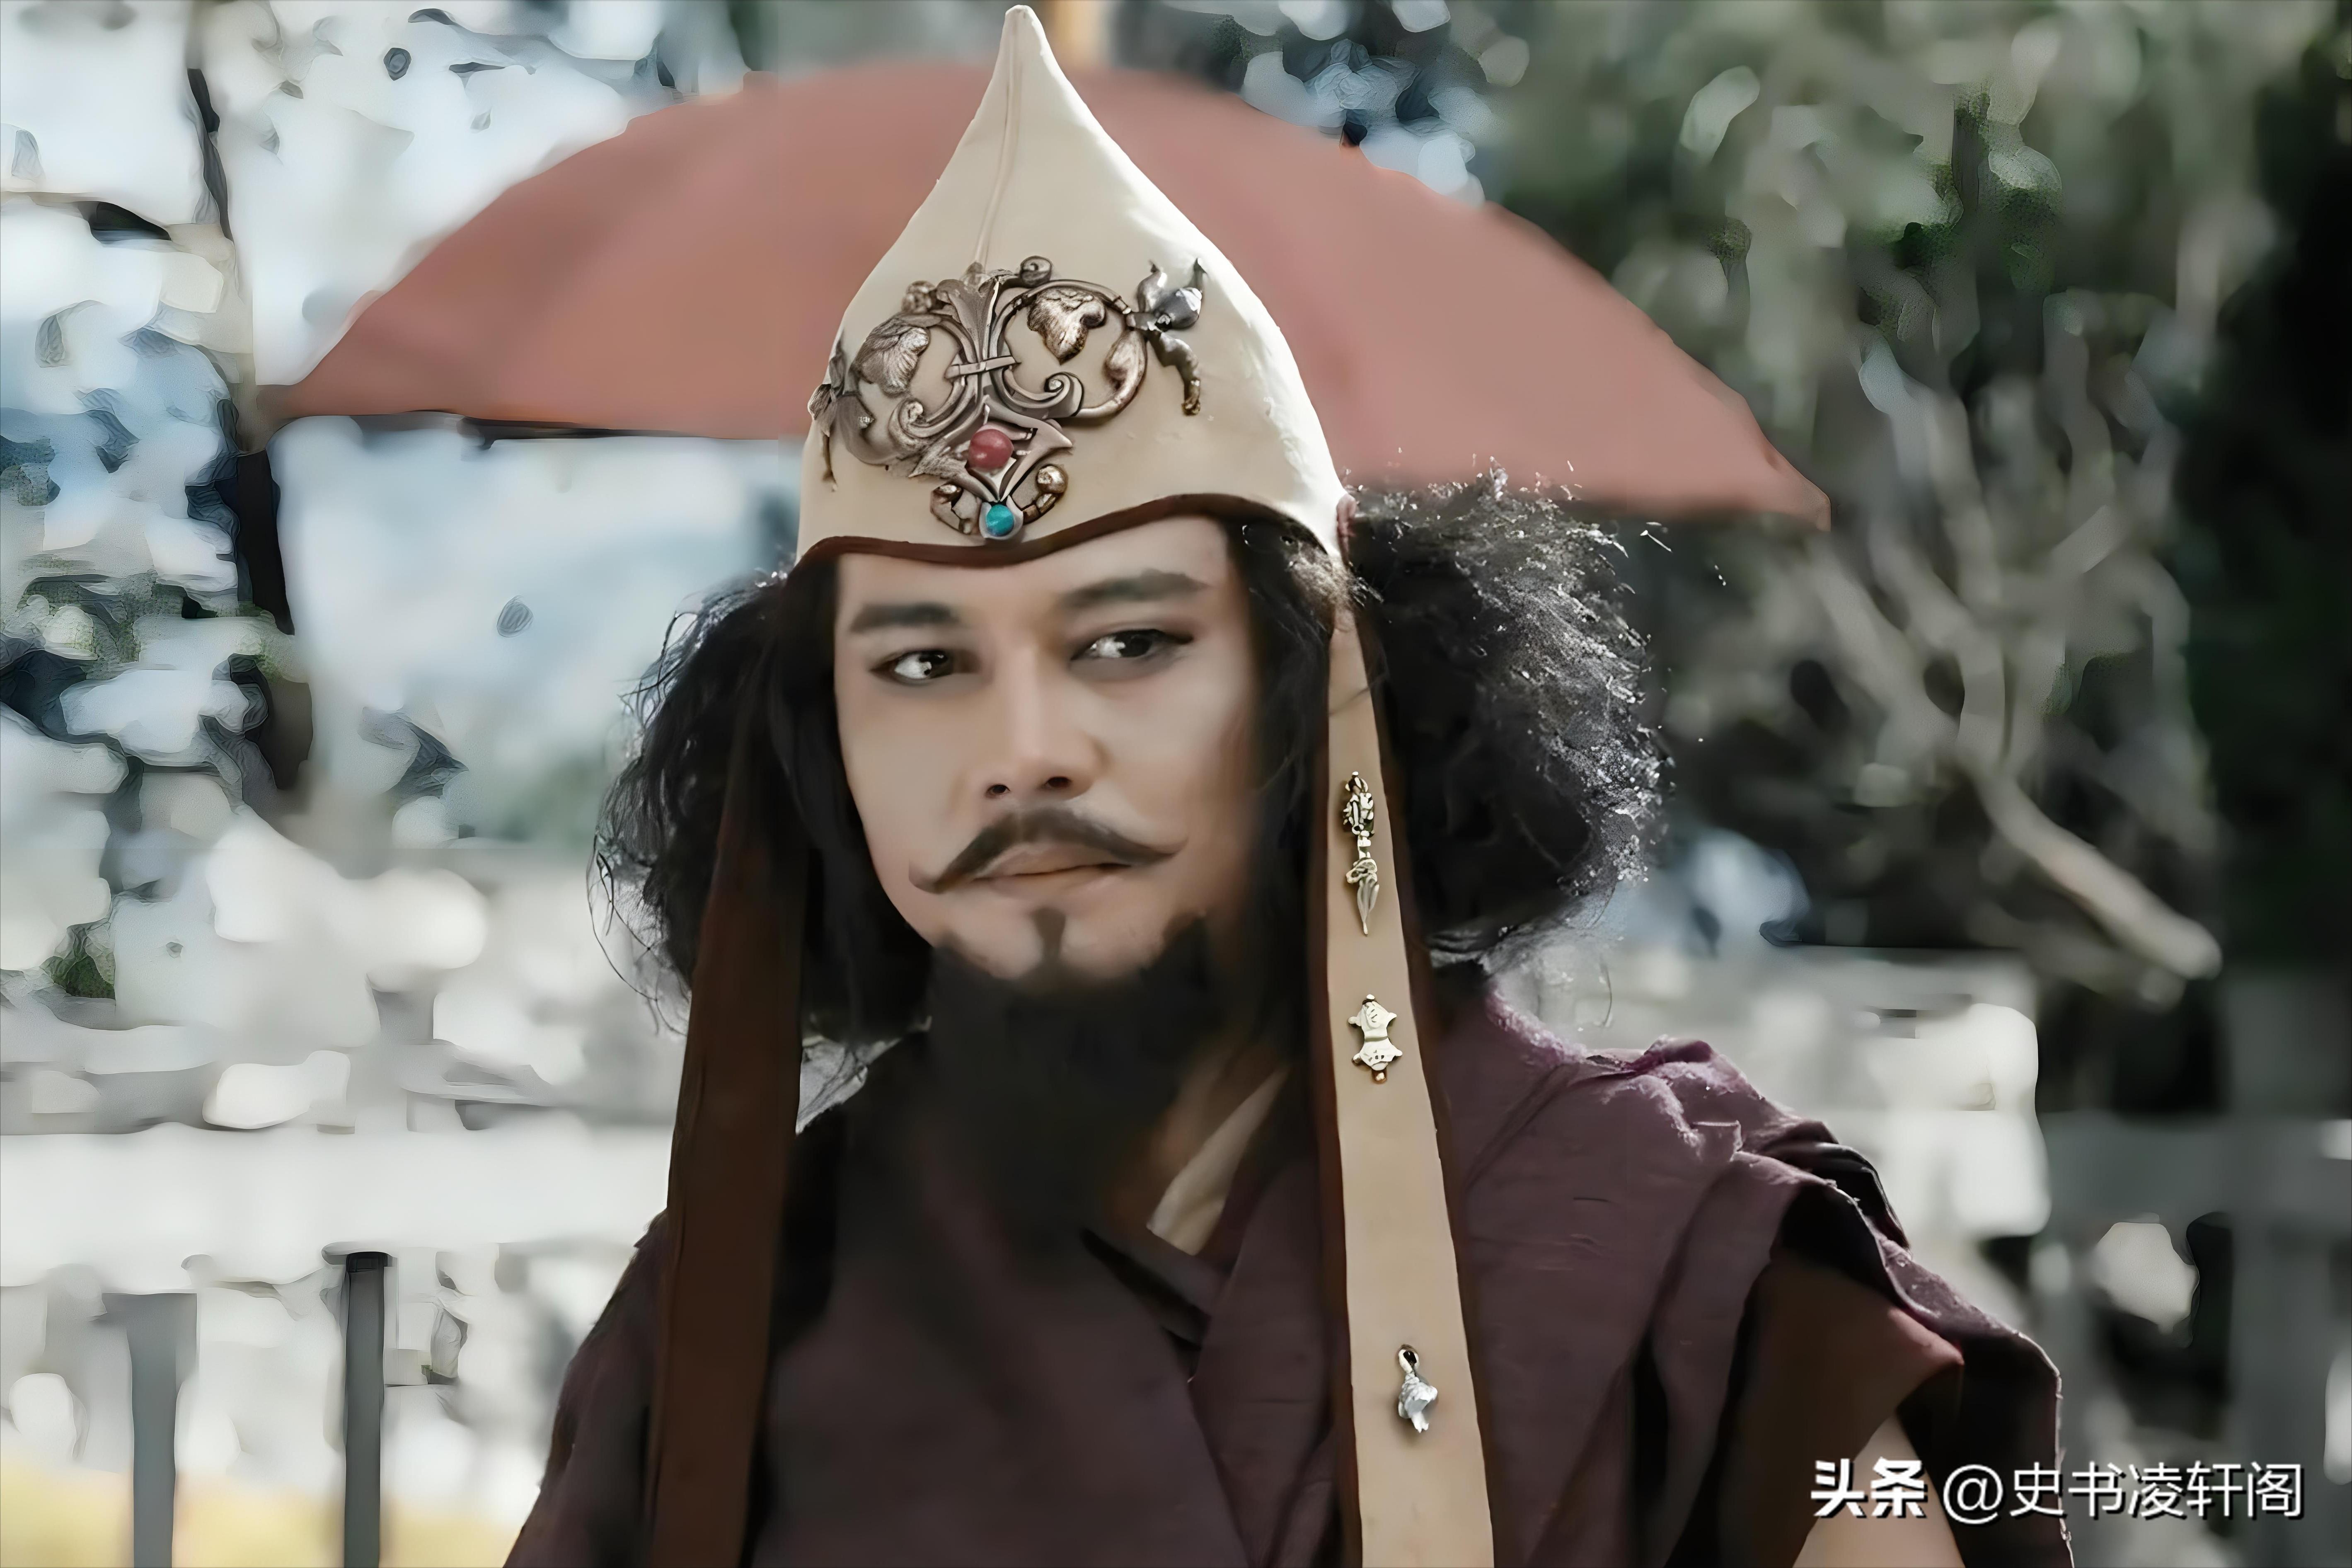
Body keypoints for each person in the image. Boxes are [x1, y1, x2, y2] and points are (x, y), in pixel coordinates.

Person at [509, 10, 2067, 1566]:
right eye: (923, 665)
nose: (1024, 748)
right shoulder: (729, 1324)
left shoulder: (1690, 1273)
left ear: (1319, 684)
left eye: (1128, 644)